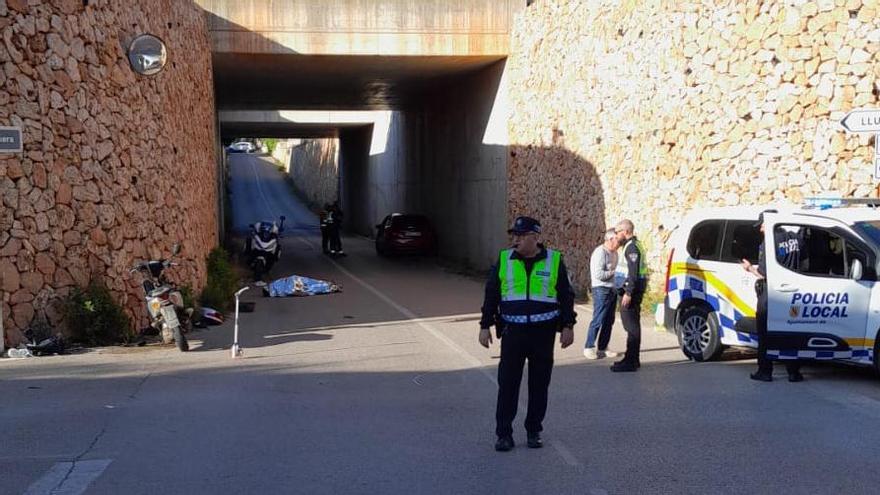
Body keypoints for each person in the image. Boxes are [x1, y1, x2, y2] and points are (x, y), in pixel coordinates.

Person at [479, 216, 576, 452]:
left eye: (521, 236)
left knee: (539, 385)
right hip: (513, 333)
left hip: (543, 334)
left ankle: (534, 430)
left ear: (535, 237)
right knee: (508, 385)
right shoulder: (505, 259)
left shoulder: (554, 260)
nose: (516, 240)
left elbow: (565, 294)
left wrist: (568, 325)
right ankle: (504, 434)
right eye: (515, 235)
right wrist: (484, 325)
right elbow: (491, 294)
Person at [741, 211, 804, 382]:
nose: (761, 229)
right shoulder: (795, 238)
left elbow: (764, 273)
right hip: (794, 292)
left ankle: (765, 371)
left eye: (762, 225)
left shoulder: (768, 243)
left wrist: (749, 268)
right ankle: (794, 372)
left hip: (772, 293)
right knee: (790, 333)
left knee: (765, 334)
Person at [611, 219, 647, 372]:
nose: (616, 235)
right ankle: (631, 358)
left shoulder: (631, 247)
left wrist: (628, 292)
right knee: (631, 325)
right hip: (631, 289)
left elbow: (633, 272)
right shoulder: (632, 245)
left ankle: (631, 361)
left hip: (631, 291)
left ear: (625, 231)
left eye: (618, 232)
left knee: (631, 327)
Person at [584, 229, 621, 360]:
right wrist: (614, 272)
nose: (619, 242)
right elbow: (598, 275)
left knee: (609, 320)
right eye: (617, 239)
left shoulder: (615, 253)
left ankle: (603, 347)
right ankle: (589, 346)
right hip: (601, 289)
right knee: (598, 318)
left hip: (612, 289)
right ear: (610, 239)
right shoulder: (600, 253)